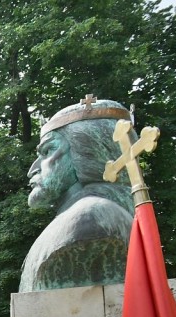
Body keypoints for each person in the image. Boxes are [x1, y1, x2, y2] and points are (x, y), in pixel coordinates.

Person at [20, 97, 135, 292]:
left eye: (47, 151)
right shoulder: (85, 215)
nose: (33, 169)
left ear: (86, 151)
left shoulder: (90, 219)